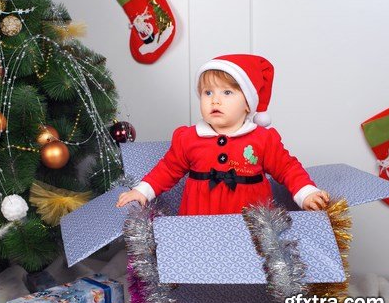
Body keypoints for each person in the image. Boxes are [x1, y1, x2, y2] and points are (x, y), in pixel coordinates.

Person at [116, 54, 329, 214]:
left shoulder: (262, 139)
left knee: (249, 269)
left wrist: (306, 193)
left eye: (227, 92)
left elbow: (288, 168)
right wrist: (142, 191)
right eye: (208, 93)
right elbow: (167, 169)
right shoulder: (188, 138)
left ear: (247, 103)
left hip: (250, 223)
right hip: (197, 222)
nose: (215, 100)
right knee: (198, 269)